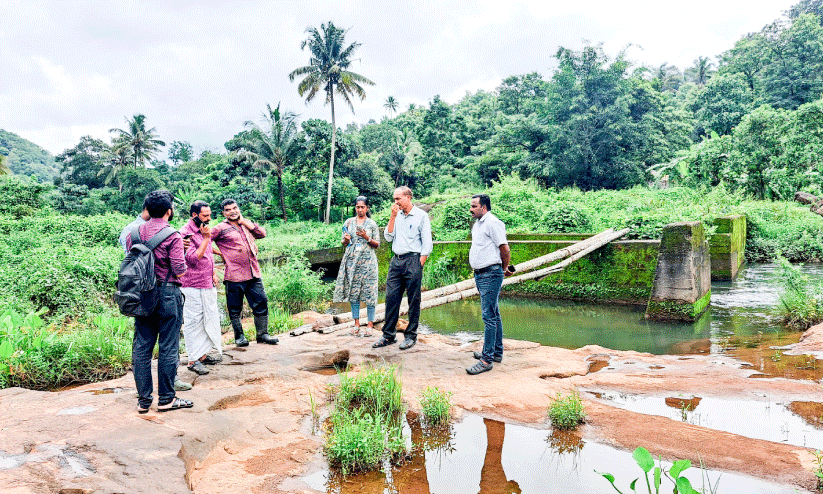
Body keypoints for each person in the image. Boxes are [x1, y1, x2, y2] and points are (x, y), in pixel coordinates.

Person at [125, 190, 193, 413]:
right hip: (167, 294)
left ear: (147, 209)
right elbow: (180, 270)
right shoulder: (173, 235)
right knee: (168, 347)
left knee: (142, 348)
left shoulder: (133, 233)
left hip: (141, 296)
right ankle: (166, 399)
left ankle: (143, 401)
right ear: (169, 211)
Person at [210, 199, 278, 346]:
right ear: (223, 213)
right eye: (228, 210)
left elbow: (262, 234)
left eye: (234, 208)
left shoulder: (246, 223)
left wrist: (245, 222)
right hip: (234, 274)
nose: (232, 211)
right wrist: (219, 252)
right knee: (235, 307)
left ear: (238, 209)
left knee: (261, 302)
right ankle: (239, 337)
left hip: (253, 272)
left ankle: (263, 334)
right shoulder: (220, 228)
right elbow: (203, 241)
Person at [373, 186, 432, 350]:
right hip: (396, 261)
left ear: (408, 197)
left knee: (414, 299)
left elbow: (427, 243)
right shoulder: (396, 215)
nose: (395, 202)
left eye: (398, 198)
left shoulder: (421, 216)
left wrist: (419, 263)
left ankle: (411, 336)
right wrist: (392, 217)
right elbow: (388, 237)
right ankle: (388, 335)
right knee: (391, 298)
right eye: (394, 199)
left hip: (413, 260)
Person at [465, 194, 512, 375]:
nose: (471, 209)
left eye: (474, 206)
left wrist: (504, 268)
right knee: (494, 313)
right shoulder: (479, 224)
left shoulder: (493, 223)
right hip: (481, 274)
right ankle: (496, 353)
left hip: (490, 274)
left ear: (483, 208)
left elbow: (505, 249)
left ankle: (486, 360)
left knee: (489, 317)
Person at [180, 201, 223, 376]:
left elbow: (207, 253)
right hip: (192, 284)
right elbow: (193, 258)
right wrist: (206, 238)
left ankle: (202, 355)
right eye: (205, 215)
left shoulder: (203, 229)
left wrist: (213, 272)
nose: (209, 218)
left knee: (208, 318)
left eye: (210, 214)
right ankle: (193, 360)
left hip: (206, 282)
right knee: (193, 321)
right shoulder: (186, 233)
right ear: (194, 215)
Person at [333, 196, 380, 336]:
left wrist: (367, 237)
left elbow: (377, 244)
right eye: (358, 207)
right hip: (352, 262)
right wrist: (346, 240)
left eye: (362, 207)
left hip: (369, 263)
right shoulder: (348, 222)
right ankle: (356, 324)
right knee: (354, 293)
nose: (360, 210)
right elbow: (344, 242)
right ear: (355, 208)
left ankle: (370, 324)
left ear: (367, 208)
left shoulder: (372, 224)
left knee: (370, 292)